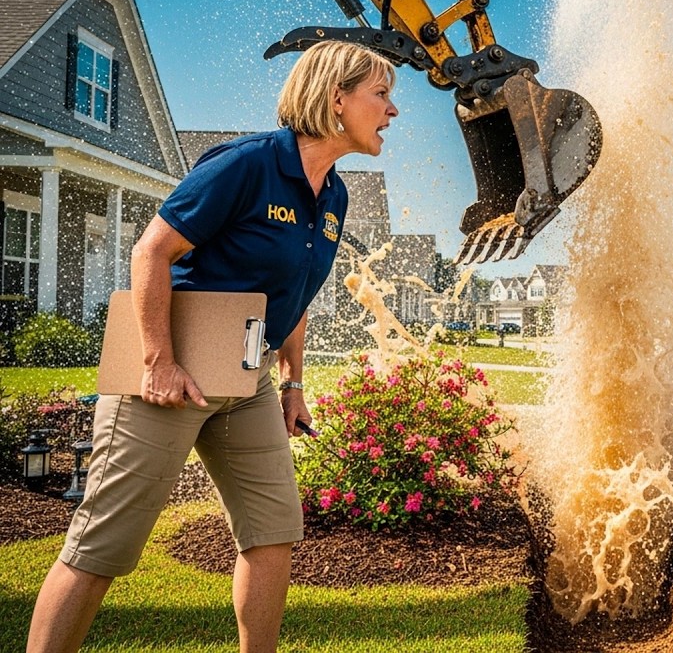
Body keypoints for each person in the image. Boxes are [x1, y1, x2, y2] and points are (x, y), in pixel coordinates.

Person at [27, 40, 398, 653]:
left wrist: (294, 383)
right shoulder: (247, 165)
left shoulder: (334, 194)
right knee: (102, 545)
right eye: (381, 95)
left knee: (273, 532)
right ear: (337, 98)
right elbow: (151, 252)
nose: (392, 111)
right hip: (168, 378)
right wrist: (159, 361)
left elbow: (294, 291)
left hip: (246, 378)